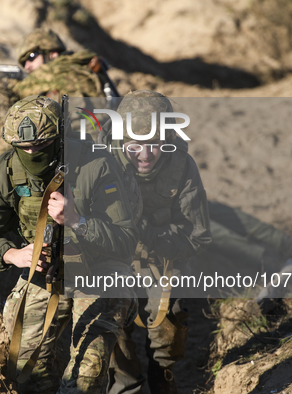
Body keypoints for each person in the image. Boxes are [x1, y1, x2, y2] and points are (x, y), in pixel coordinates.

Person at [0, 95, 139, 394]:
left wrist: (77, 221)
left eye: (41, 146)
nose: (32, 152)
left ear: (59, 138)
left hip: (100, 271)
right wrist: (12, 254)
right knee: (24, 368)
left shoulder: (96, 163)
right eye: (24, 148)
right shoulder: (6, 170)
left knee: (86, 376)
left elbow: (125, 241)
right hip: (46, 274)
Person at [97, 90, 212, 394]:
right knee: (110, 319)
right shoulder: (101, 163)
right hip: (113, 257)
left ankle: (163, 376)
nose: (145, 156)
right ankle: (126, 385)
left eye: (154, 145)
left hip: (161, 257)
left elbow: (197, 234)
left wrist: (150, 234)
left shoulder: (181, 167)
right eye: (134, 146)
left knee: (167, 330)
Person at [13, 28, 115, 101]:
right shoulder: (78, 64)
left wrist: (6, 84)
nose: (27, 66)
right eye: (24, 63)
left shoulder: (58, 70)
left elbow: (20, 90)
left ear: (52, 54)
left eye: (31, 56)